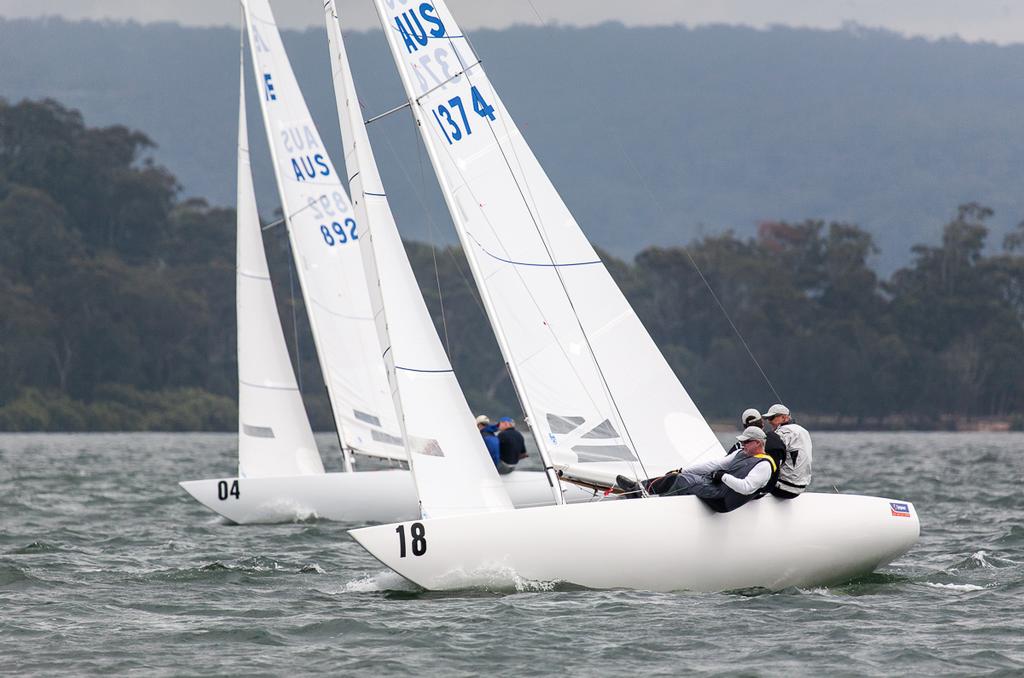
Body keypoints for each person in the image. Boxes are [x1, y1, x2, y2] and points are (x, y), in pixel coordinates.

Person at [615, 427, 778, 513]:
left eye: (747, 442)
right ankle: (639, 487)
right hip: (718, 488)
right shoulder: (740, 453)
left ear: (758, 443)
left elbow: (746, 487)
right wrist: (683, 469)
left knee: (680, 480)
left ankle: (644, 494)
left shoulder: (764, 466)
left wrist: (723, 477)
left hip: (723, 500)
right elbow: (714, 465)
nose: (743, 445)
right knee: (678, 475)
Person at [727, 408, 786, 490]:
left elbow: (727, 466)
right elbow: (783, 460)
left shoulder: (738, 446)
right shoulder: (776, 439)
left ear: (745, 427)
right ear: (762, 423)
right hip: (771, 488)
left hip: (752, 491)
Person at [763, 403, 812, 499]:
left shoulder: (781, 433)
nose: (769, 421)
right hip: (800, 488)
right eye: (768, 419)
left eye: (772, 418)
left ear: (784, 418)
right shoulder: (804, 431)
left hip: (783, 488)